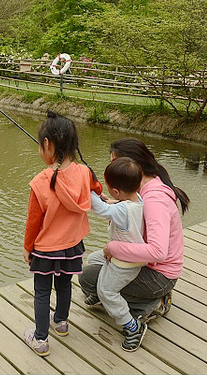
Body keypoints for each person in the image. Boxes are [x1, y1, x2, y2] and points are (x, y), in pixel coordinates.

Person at [79, 137, 189, 349]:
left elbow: (158, 252)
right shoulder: (144, 188)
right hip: (142, 263)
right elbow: (130, 208)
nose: (112, 168)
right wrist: (110, 201)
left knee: (91, 280)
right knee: (93, 261)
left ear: (134, 167)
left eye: (114, 163)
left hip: (159, 273)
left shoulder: (156, 199)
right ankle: (127, 299)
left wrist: (113, 247)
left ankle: (149, 305)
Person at [23, 111, 102, 357]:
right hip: (72, 245)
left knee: (42, 291)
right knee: (65, 284)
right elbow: (96, 188)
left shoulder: (41, 181)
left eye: (40, 145)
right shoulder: (84, 173)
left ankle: (40, 339)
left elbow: (33, 221)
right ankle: (61, 322)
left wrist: (28, 248)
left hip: (46, 249)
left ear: (47, 144)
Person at [87, 156, 147, 352]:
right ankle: (100, 295)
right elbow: (119, 205)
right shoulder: (138, 200)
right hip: (129, 255)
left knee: (107, 291)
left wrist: (85, 190)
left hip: (124, 264)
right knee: (93, 259)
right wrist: (111, 200)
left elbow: (101, 209)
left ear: (115, 190)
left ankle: (132, 326)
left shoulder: (121, 210)